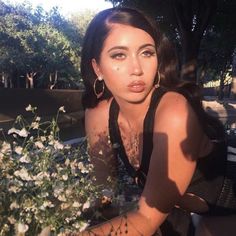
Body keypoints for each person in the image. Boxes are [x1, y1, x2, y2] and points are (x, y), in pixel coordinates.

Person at [76, 7, 236, 236]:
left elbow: (146, 218)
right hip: (180, 209)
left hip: (226, 203)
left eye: (147, 53)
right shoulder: (99, 114)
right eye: (119, 55)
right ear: (97, 67)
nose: (136, 69)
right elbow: (104, 193)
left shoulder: (174, 111)